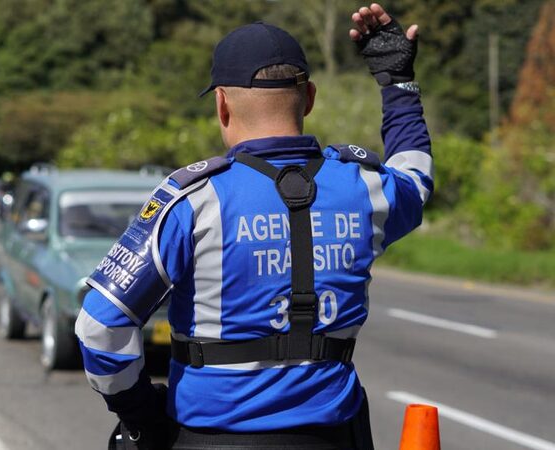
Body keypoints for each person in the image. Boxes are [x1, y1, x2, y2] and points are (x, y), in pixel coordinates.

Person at [76, 3, 432, 449]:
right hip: (334, 437)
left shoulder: (192, 199)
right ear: (310, 98)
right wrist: (398, 83)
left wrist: (141, 416)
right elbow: (416, 178)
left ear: (222, 104)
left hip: (211, 438)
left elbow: (100, 328)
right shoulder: (365, 187)